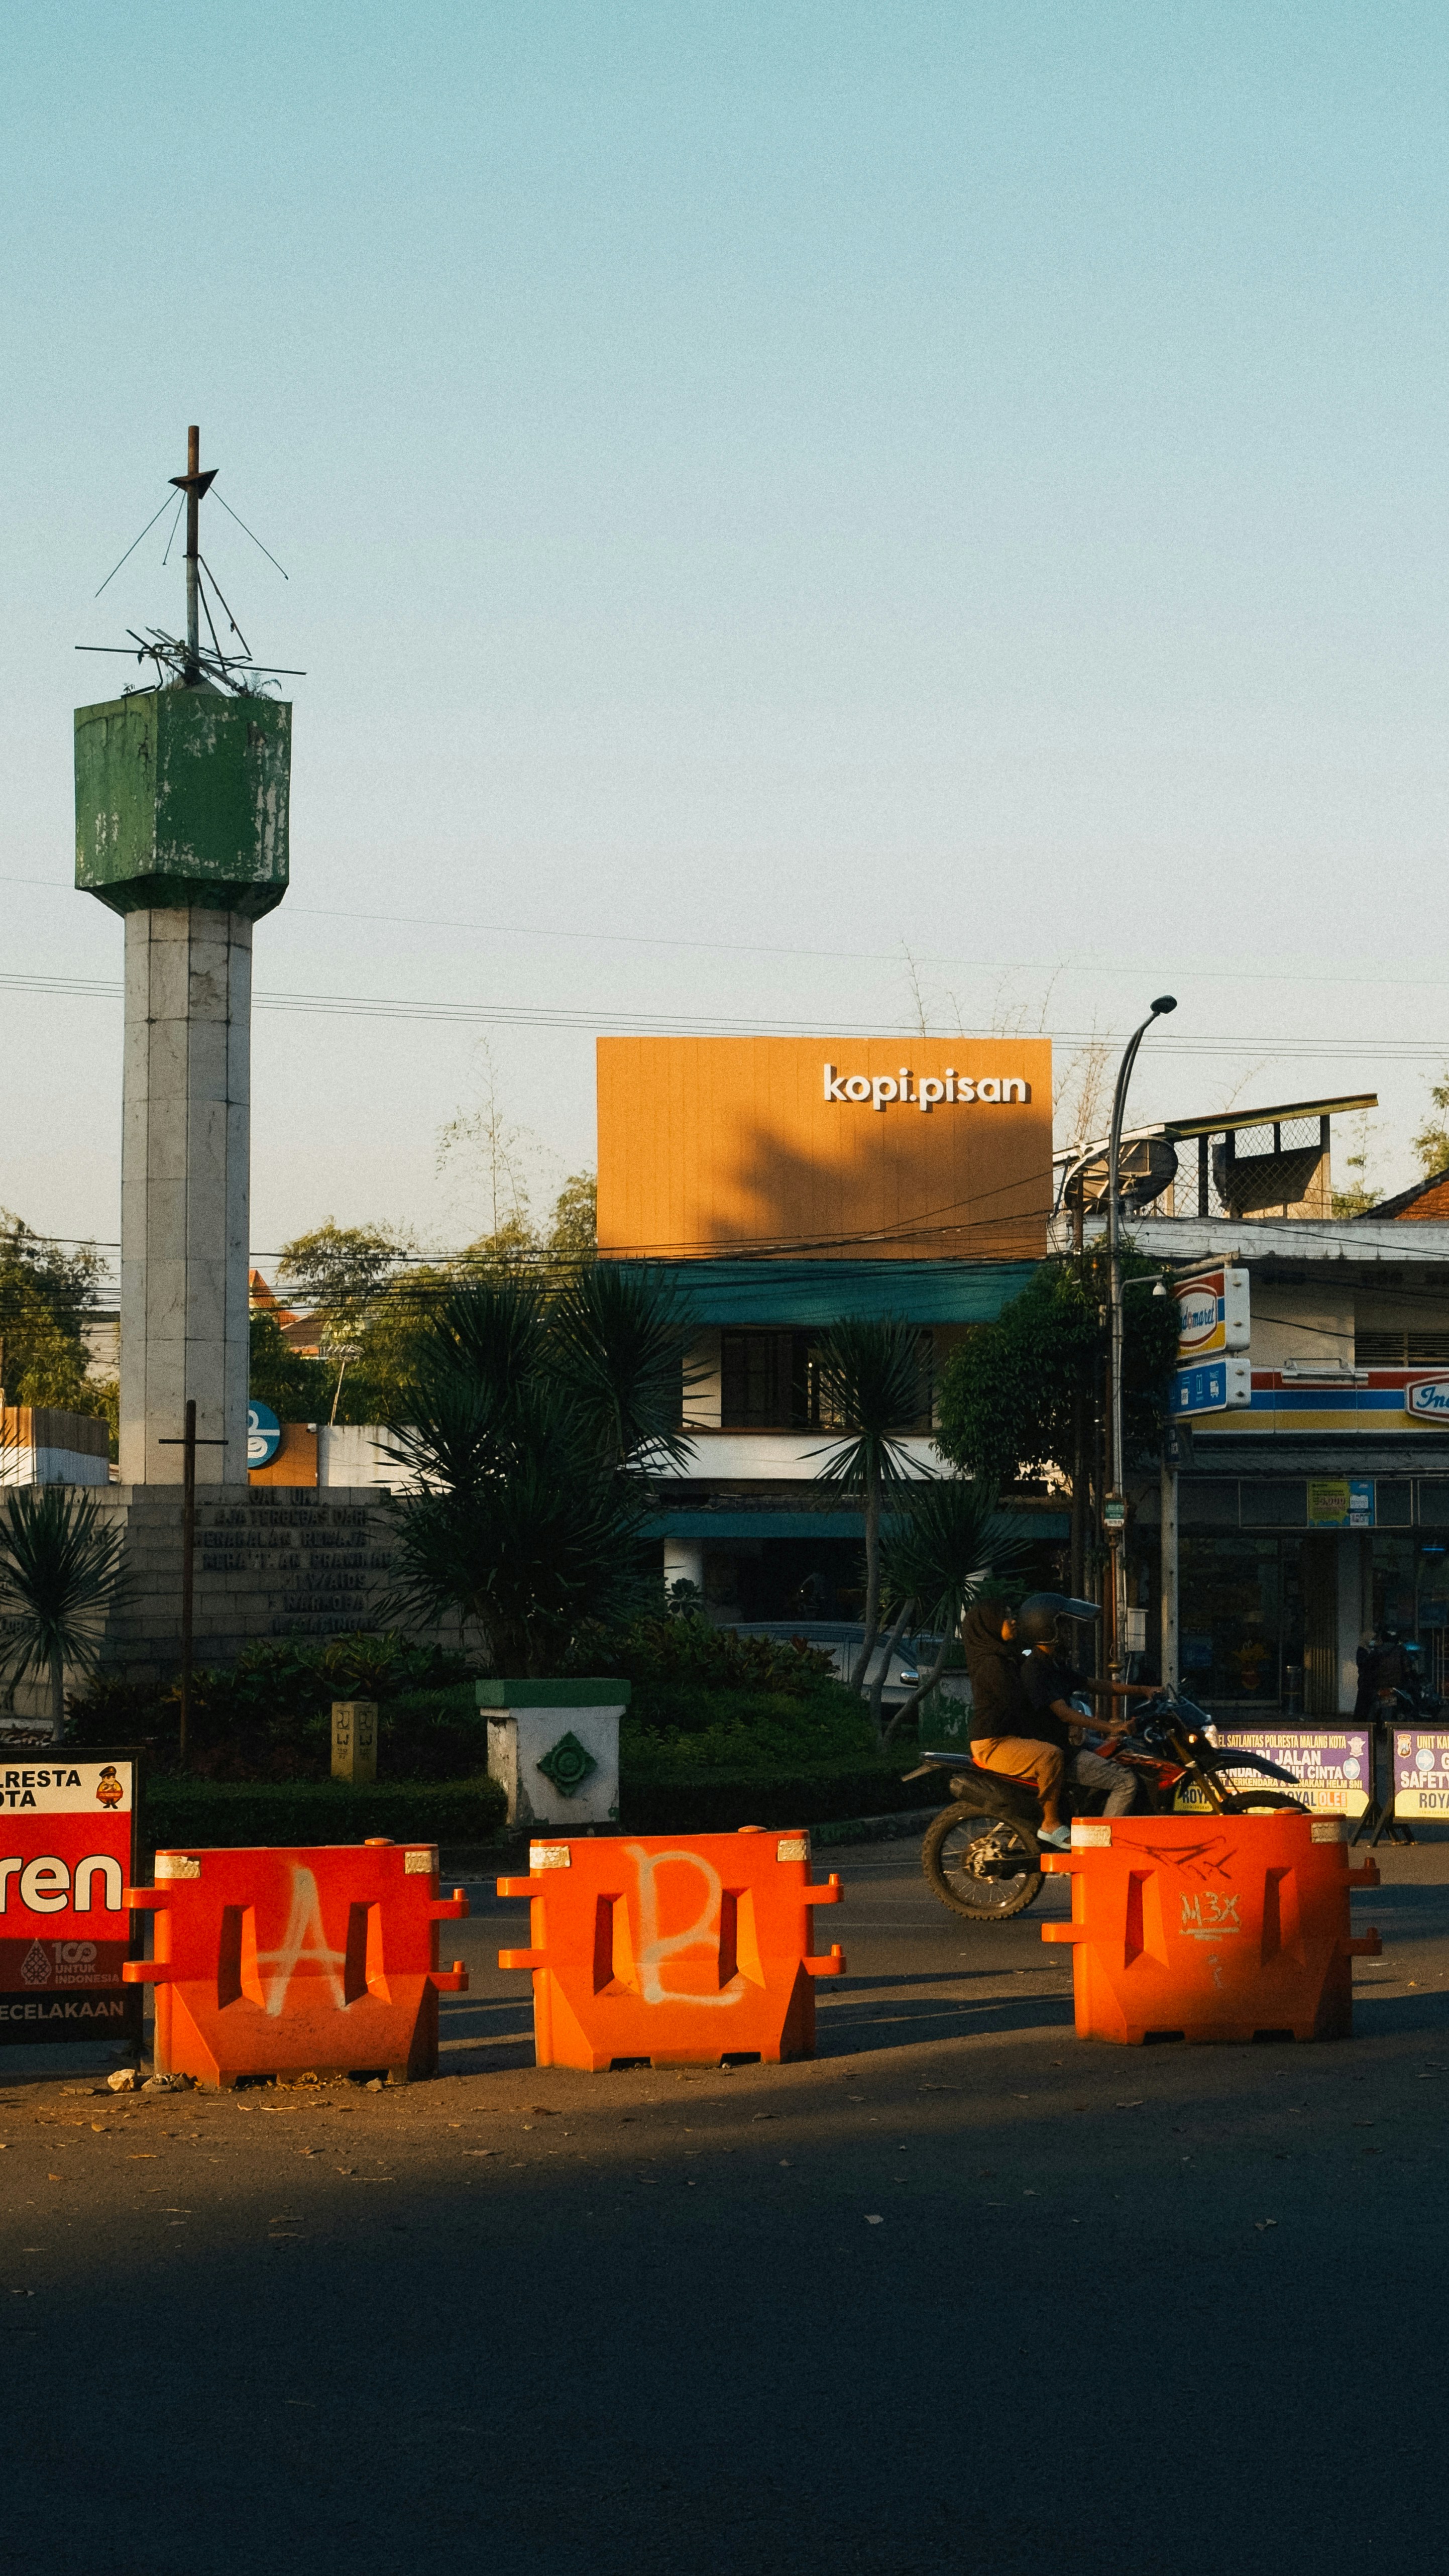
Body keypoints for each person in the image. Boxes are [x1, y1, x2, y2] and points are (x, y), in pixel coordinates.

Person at [1015, 1594, 1160, 1818]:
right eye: (1062, 1626)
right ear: (1045, 1629)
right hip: (1059, 1749)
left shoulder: (1053, 1662)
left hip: (1068, 1741)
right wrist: (1110, 1727)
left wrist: (1144, 1690)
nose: (1068, 1632)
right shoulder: (1035, 1669)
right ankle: (1100, 1846)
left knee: (1126, 1753)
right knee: (1126, 1782)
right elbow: (1063, 1713)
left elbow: (1095, 1685)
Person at [960, 1599, 1074, 1851]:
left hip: (1008, 1737)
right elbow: (1019, 1703)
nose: (1013, 1621)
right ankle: (1051, 1824)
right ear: (990, 1625)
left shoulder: (1008, 1657)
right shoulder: (991, 1663)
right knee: (1050, 1755)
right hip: (993, 1743)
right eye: (1005, 1616)